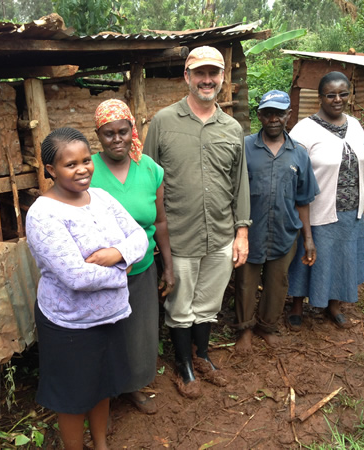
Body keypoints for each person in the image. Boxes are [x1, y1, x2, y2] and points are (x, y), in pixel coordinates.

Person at [25, 127, 148, 450]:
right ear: (50, 170)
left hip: (110, 316)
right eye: (70, 164)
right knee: (73, 396)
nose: (82, 170)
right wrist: (124, 271)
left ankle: (102, 444)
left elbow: (138, 237)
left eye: (85, 161)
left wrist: (116, 254)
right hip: (70, 323)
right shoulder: (43, 214)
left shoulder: (102, 198)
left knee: (102, 385)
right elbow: (76, 276)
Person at [143, 46, 251, 398]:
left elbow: (240, 183)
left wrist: (242, 232)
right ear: (186, 77)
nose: (207, 80)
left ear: (222, 79)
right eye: (200, 73)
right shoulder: (163, 122)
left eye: (213, 73)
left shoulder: (232, 128)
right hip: (179, 236)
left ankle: (202, 355)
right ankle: (183, 365)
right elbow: (148, 179)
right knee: (180, 306)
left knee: (208, 304)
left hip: (220, 234)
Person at [90, 98, 175, 415]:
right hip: (101, 273)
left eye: (122, 132)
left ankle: (132, 387)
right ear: (98, 135)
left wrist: (168, 266)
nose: (116, 140)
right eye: (108, 133)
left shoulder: (149, 169)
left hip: (141, 268)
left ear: (132, 131)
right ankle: (103, 396)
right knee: (106, 335)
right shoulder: (90, 169)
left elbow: (161, 221)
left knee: (138, 333)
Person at [287, 71, 364, 330]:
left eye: (343, 94)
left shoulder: (356, 126)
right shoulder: (304, 130)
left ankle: (334, 305)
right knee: (307, 257)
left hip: (351, 211)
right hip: (317, 210)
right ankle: (297, 305)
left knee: (343, 257)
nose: (337, 99)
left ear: (349, 96)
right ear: (320, 97)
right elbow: (293, 174)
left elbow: (362, 168)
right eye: (331, 95)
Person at [234, 90, 319, 349]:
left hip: (285, 231)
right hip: (250, 230)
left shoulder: (299, 154)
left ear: (288, 116)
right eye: (268, 113)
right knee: (246, 282)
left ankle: (267, 325)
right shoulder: (245, 147)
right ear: (259, 115)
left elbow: (303, 199)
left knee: (278, 281)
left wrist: (308, 239)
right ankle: (244, 329)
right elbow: (233, 191)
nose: (273, 119)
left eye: (279, 113)